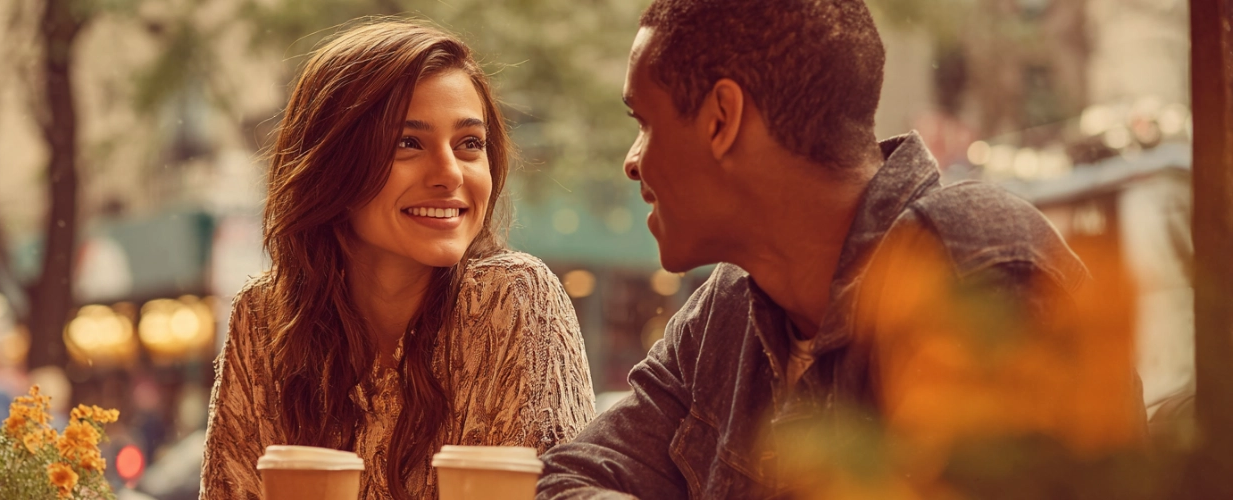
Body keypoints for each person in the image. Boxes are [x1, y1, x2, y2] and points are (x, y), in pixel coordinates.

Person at [537, 1, 1142, 498]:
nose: (632, 160)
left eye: (645, 121)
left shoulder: (974, 267)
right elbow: (573, 477)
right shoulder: (727, 305)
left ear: (722, 118)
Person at [199, 21, 596, 500]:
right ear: (334, 163)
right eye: (408, 143)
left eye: (470, 144)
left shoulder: (514, 300)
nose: (450, 174)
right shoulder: (264, 318)